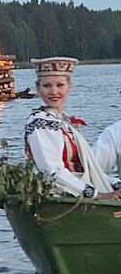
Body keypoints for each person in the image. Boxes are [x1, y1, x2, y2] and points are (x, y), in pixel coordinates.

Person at [24, 57, 120, 200]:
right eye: (47, 86)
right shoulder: (41, 123)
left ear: (69, 87)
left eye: (60, 85)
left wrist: (116, 183)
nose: (53, 91)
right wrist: (97, 194)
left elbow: (84, 170)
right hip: (63, 193)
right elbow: (52, 172)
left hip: (77, 186)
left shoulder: (64, 121)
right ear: (38, 88)